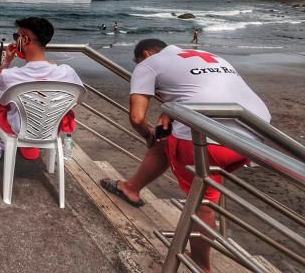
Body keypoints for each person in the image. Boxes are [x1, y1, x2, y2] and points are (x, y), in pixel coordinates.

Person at [100, 39, 271, 272]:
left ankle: (201, 265)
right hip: (255, 135)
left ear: (146, 53)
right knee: (167, 141)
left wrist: (148, 134)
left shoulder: (148, 64)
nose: (137, 65)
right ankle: (131, 188)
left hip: (208, 141)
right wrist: (168, 116)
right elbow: (203, 92)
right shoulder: (205, 55)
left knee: (203, 201)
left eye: (137, 61)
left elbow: (137, 118)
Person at [0, 17, 83, 160]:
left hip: (18, 129)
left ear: (24, 40)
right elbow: (78, 98)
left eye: (16, 37)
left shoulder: (11, 75)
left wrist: (7, 61)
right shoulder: (67, 72)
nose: (14, 41)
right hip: (51, 128)